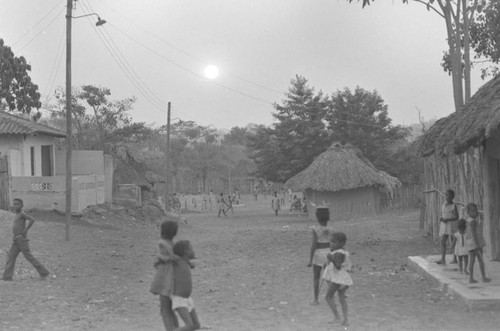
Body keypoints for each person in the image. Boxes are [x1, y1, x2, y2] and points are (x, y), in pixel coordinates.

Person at [2, 198, 50, 281]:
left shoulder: (22, 214)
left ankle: (44, 272)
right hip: (16, 241)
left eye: (18, 204)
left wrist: (25, 230)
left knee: (29, 257)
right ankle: (7, 277)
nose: (16, 206)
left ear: (22, 206)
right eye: (15, 204)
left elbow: (32, 219)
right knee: (10, 257)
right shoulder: (16, 214)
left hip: (21, 240)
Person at [150, 221, 180, 331]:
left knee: (164, 310)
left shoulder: (162, 243)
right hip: (173, 278)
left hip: (164, 277)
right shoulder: (173, 244)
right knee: (171, 309)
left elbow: (162, 257)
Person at [322, 232, 352, 326]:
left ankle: (337, 317)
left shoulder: (338, 253)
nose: (331, 244)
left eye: (334, 242)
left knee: (328, 297)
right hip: (342, 278)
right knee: (342, 298)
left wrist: (331, 259)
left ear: (341, 243)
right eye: (331, 241)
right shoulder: (340, 252)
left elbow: (338, 266)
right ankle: (346, 320)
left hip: (338, 278)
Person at [172, 240, 202, 331]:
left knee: (196, 325)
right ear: (185, 251)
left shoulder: (185, 261)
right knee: (189, 326)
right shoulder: (177, 261)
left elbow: (186, 261)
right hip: (179, 299)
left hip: (187, 298)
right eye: (191, 249)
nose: (193, 251)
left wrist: (189, 264)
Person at [307, 207, 334, 305]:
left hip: (318, 254)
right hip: (328, 254)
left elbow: (314, 245)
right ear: (328, 218)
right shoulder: (331, 230)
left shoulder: (315, 229)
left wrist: (310, 259)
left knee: (316, 278)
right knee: (328, 277)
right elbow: (332, 244)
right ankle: (331, 298)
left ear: (317, 217)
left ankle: (316, 299)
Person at [465, 203, 491, 283]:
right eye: (472, 211)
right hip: (475, 243)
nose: (475, 213)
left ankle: (471, 278)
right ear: (468, 212)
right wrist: (477, 245)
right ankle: (483, 277)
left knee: (472, 261)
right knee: (480, 260)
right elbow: (474, 234)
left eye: (475, 211)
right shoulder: (473, 222)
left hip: (469, 243)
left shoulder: (468, 220)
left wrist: (481, 220)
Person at [436, 189, 459, 265]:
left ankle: (455, 258)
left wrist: (447, 219)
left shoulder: (453, 206)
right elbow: (442, 214)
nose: (446, 196)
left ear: (452, 197)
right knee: (443, 241)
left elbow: (456, 217)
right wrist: (441, 218)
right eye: (445, 195)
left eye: (447, 195)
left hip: (452, 225)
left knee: (453, 241)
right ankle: (443, 259)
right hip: (445, 225)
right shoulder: (443, 204)